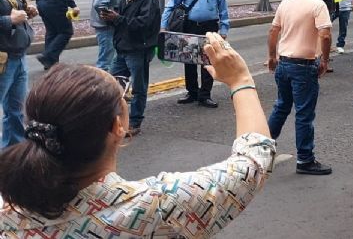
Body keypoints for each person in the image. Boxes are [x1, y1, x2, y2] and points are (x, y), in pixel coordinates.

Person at [0, 36, 276, 237]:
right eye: (122, 91)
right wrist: (240, 80)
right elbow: (254, 161)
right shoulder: (159, 207)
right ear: (116, 127)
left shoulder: (8, 210)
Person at [266, 0, 333, 175]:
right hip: (303, 65)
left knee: (281, 107)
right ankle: (305, 159)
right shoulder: (317, 4)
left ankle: (261, 150)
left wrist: (271, 56)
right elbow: (326, 35)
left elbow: (273, 30)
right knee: (304, 114)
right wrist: (325, 59)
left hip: (284, 62)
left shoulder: (286, 2)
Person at [101, 0, 160, 137]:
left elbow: (143, 25)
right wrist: (112, 18)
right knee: (113, 84)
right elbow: (126, 22)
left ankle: (135, 121)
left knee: (138, 87)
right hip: (124, 48)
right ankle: (115, 118)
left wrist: (117, 18)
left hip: (138, 49)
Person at [163, 0, 230, 109]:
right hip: (190, 26)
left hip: (210, 27)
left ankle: (205, 95)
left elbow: (223, 11)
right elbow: (170, 7)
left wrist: (224, 30)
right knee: (189, 60)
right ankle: (192, 92)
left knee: (208, 61)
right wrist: (163, 26)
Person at [0, 0, 36, 148]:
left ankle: (14, 152)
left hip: (18, 55)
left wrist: (25, 10)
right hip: (4, 58)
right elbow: (8, 18)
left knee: (16, 109)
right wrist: (8, 20)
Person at [91, 0, 125, 72]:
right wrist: (108, 17)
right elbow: (99, 4)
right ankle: (101, 87)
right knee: (105, 62)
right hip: (106, 27)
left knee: (108, 58)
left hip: (107, 26)